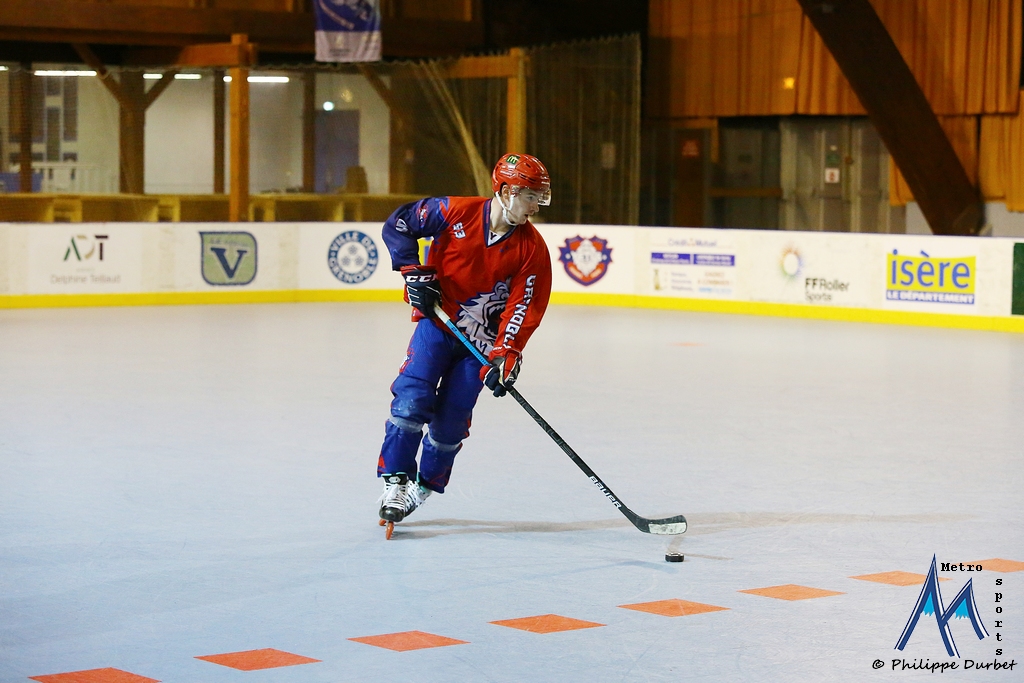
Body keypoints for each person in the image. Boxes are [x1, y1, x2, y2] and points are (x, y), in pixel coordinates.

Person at [375, 153, 553, 530]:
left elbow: (524, 306)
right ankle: (395, 482)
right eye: (530, 197)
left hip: (480, 348)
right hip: (439, 325)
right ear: (506, 190)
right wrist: (413, 272)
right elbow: (400, 223)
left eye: (538, 198)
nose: (535, 207)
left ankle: (424, 485)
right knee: (411, 399)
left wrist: (506, 354)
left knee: (451, 423)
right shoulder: (455, 211)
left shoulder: (532, 249)